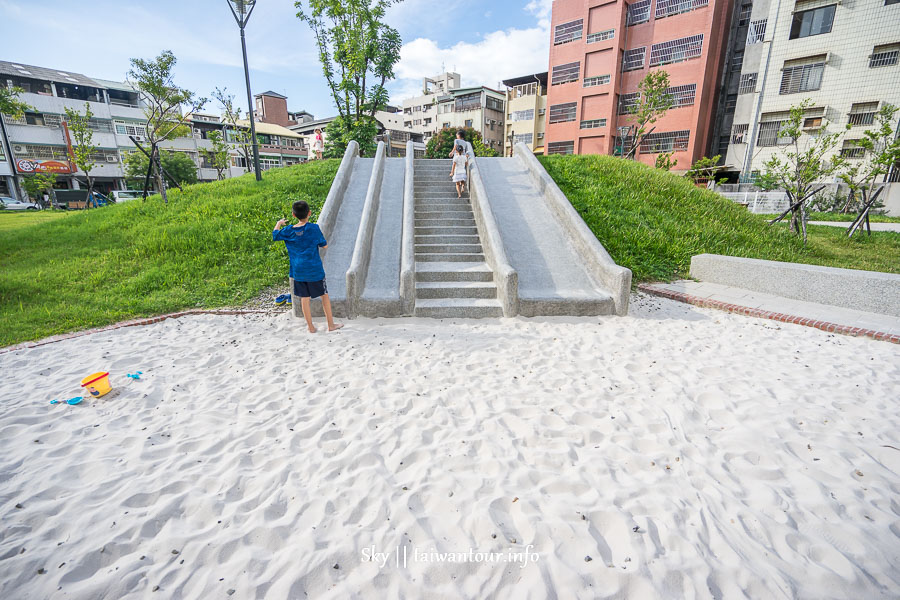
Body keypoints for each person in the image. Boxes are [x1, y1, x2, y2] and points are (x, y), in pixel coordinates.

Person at [272, 200, 343, 333]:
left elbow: (275, 235)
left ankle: (311, 327)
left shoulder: (288, 231)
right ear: (309, 213)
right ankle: (331, 325)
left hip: (298, 271)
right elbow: (324, 245)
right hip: (314, 270)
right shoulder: (313, 228)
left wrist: (279, 223)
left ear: (293, 215)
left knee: (304, 298)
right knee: (324, 296)